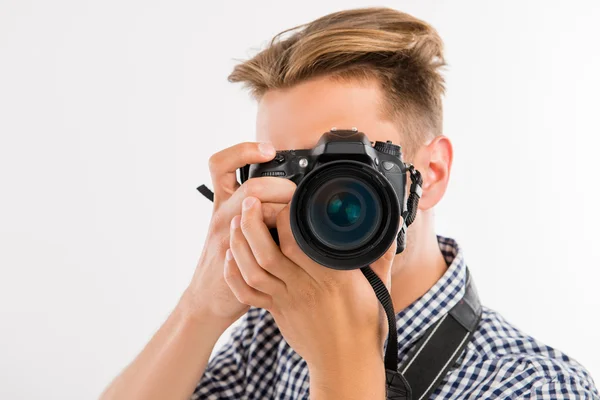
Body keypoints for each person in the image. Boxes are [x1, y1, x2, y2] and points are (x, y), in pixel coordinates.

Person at [100, 7, 599, 400]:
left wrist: (347, 363)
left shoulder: (537, 387)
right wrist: (200, 309)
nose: (324, 201)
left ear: (433, 173)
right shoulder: (268, 340)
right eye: (295, 170)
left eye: (351, 168)